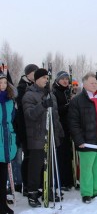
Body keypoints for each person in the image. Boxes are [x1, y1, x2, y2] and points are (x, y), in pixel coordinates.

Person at [22, 68, 64, 207]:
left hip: (51, 135)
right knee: (36, 166)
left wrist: (59, 132)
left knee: (51, 164)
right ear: (36, 79)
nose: (46, 80)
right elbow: (30, 115)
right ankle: (32, 193)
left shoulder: (50, 95)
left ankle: (49, 189)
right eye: (43, 77)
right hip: (37, 136)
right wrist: (42, 105)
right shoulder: (29, 95)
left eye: (47, 78)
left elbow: (55, 116)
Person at [69, 72, 97, 204]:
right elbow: (73, 122)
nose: (95, 85)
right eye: (92, 83)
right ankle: (87, 193)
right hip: (87, 140)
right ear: (84, 84)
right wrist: (79, 140)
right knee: (87, 168)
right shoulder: (77, 100)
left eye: (96, 82)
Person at [14, 63, 38, 196]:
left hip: (35, 129)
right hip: (24, 128)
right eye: (33, 72)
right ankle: (26, 185)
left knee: (34, 157)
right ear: (28, 73)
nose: (35, 75)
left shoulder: (36, 86)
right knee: (27, 156)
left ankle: (33, 184)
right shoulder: (21, 87)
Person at [52, 71, 74, 190]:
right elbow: (56, 110)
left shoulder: (67, 91)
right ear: (58, 80)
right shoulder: (55, 92)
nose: (65, 81)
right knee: (61, 155)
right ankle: (62, 180)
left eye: (67, 79)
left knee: (68, 155)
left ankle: (68, 180)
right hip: (60, 127)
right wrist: (68, 105)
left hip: (69, 126)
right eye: (63, 79)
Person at [0, 73, 17, 214]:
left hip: (6, 141)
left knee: (3, 176)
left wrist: (12, 135)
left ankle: (3, 204)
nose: (3, 85)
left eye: (5, 82)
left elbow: (12, 120)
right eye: (1, 83)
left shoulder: (10, 101)